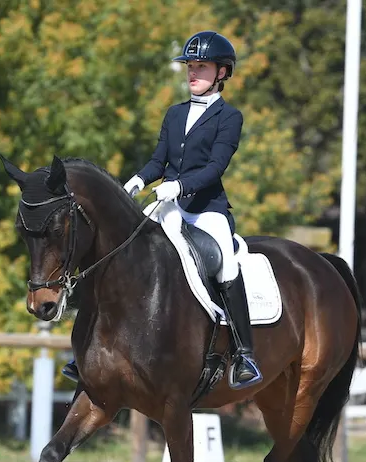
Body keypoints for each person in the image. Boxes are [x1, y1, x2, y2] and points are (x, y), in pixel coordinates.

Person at [62, 31, 262, 391]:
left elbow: (215, 167)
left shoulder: (229, 117)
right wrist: (138, 179)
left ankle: (244, 353)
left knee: (227, 264)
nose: (192, 73)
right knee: (119, 253)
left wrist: (181, 186)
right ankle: (88, 346)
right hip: (167, 206)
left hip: (206, 211)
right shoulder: (174, 114)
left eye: (201, 67)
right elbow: (159, 160)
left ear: (222, 72)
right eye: (190, 66)